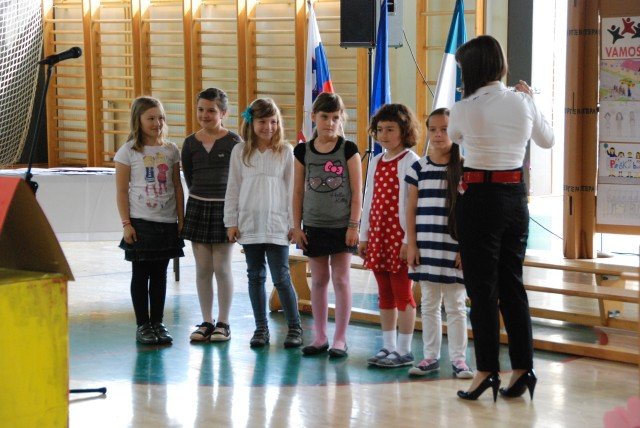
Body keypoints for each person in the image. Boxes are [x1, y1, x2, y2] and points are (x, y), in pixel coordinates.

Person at [448, 35, 554, 401]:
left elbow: (454, 137)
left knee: (482, 289)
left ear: (472, 69)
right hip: (515, 198)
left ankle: (486, 371)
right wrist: (531, 100)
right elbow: (547, 140)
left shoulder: (464, 106)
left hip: (479, 198)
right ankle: (523, 368)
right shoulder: (522, 100)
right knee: (512, 284)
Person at [223, 98, 303, 348]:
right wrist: (231, 221)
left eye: (273, 122)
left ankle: (294, 327)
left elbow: (292, 190)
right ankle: (261, 329)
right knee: (255, 276)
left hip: (277, 224)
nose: (268, 127)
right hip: (250, 224)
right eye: (262, 122)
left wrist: (294, 224)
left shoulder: (285, 151)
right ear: (251, 123)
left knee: (281, 277)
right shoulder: (240, 151)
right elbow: (233, 188)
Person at [292, 92, 362, 358]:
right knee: (319, 280)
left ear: (341, 119)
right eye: (324, 117)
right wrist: (297, 226)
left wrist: (353, 226)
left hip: (342, 226)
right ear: (313, 117)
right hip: (314, 225)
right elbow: (297, 192)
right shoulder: (303, 151)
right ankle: (320, 336)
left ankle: (340, 338)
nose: (330, 123)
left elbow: (357, 192)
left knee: (341, 279)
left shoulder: (348, 149)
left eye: (335, 118)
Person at [404, 108, 473, 379]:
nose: (438, 135)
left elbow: (471, 213)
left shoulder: (465, 168)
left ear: (456, 132)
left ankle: (459, 360)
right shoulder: (419, 168)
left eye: (444, 129)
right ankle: (430, 356)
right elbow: (410, 209)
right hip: (426, 247)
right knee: (430, 303)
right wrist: (411, 244)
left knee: (456, 305)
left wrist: (465, 248)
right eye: (433, 129)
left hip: (453, 249)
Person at [115, 96, 185, 345]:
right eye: (151, 118)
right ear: (138, 120)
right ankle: (143, 324)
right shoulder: (128, 151)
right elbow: (121, 191)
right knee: (141, 273)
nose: (157, 123)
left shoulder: (171, 150)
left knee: (160, 275)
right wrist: (126, 224)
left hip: (166, 222)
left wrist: (181, 219)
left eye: (161, 118)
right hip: (141, 222)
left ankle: (157, 322)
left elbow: (177, 186)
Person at [357, 103, 419, 368]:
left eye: (390, 129)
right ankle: (388, 346)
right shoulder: (376, 161)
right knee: (384, 293)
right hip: (379, 236)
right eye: (380, 129)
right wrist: (364, 235)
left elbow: (412, 205)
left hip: (400, 238)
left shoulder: (410, 160)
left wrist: (408, 241)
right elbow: (369, 199)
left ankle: (404, 350)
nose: (384, 135)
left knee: (403, 293)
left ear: (404, 131)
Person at [181, 88, 242, 342]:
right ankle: (206, 321)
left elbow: (239, 179)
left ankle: (223, 322)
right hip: (198, 207)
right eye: (201, 109)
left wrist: (234, 216)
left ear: (223, 113)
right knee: (203, 268)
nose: (205, 115)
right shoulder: (190, 143)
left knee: (222, 267)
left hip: (224, 210)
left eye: (211, 111)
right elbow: (189, 176)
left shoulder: (234, 142)